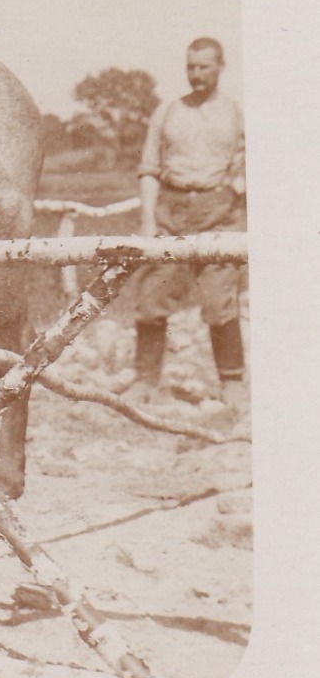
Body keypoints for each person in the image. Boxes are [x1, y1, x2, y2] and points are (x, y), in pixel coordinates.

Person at [129, 37, 247, 409]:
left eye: (204, 67)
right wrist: (149, 221)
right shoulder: (167, 112)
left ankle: (232, 383)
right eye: (191, 67)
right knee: (153, 296)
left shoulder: (236, 113)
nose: (196, 74)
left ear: (220, 66)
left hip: (220, 212)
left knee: (218, 300)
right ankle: (146, 380)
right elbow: (149, 169)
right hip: (173, 210)